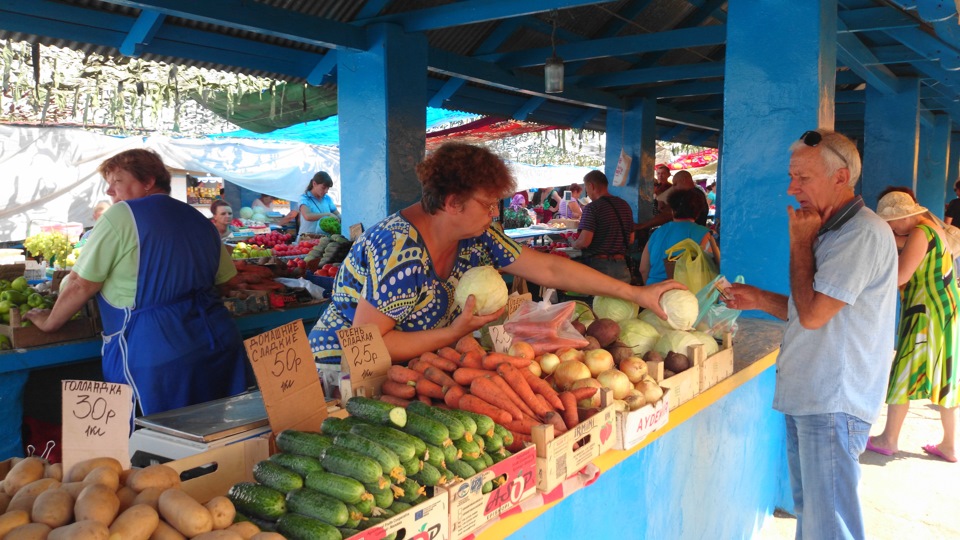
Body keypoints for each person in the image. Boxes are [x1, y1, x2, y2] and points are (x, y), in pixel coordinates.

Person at [307, 143, 682, 361]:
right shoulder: (396, 250)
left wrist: (637, 293)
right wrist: (452, 333)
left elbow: (550, 271)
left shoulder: (478, 234)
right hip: (340, 376)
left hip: (410, 371)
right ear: (453, 202)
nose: (493, 214)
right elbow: (369, 346)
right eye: (488, 205)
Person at [724, 129, 898, 539]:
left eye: (802, 178)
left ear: (840, 178)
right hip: (814, 396)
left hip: (833, 400)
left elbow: (815, 315)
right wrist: (759, 299)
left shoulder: (861, 234)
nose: (791, 188)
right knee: (816, 518)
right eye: (791, 176)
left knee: (829, 525)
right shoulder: (836, 230)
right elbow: (813, 308)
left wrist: (800, 243)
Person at [25, 149, 248, 417]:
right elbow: (227, 282)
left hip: (155, 351)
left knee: (159, 445)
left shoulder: (122, 216)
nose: (109, 191)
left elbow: (80, 284)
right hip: (218, 342)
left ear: (148, 181)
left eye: (117, 181)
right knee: (216, 436)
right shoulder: (200, 220)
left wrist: (50, 322)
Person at [865, 191, 958, 463]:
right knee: (945, 373)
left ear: (904, 217)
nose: (891, 228)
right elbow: (905, 244)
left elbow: (899, 277)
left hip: (925, 312)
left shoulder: (919, 233)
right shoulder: (931, 227)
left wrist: (863, 285)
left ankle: (888, 438)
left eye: (892, 222)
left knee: (904, 367)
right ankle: (950, 444)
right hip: (944, 309)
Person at [639, 188, 719, 285]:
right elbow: (713, 268)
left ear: (672, 211)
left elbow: (643, 269)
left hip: (653, 291)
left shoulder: (656, 233)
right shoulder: (706, 234)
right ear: (698, 213)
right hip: (686, 294)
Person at [571, 171, 635, 283]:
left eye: (586, 187)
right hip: (622, 266)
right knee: (620, 300)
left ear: (591, 186)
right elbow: (631, 239)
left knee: (599, 300)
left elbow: (584, 242)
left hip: (600, 267)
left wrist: (573, 243)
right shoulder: (624, 205)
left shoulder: (592, 208)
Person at [636, 170, 708, 232]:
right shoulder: (696, 194)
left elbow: (668, 215)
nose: (673, 188)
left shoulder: (692, 195)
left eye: (675, 184)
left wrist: (641, 226)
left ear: (683, 180)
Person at [298, 172, 340, 238]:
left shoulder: (327, 199)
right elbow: (307, 216)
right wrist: (328, 214)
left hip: (324, 241)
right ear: (314, 184)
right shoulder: (305, 198)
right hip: (306, 240)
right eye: (323, 187)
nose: (326, 191)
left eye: (328, 188)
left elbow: (337, 214)